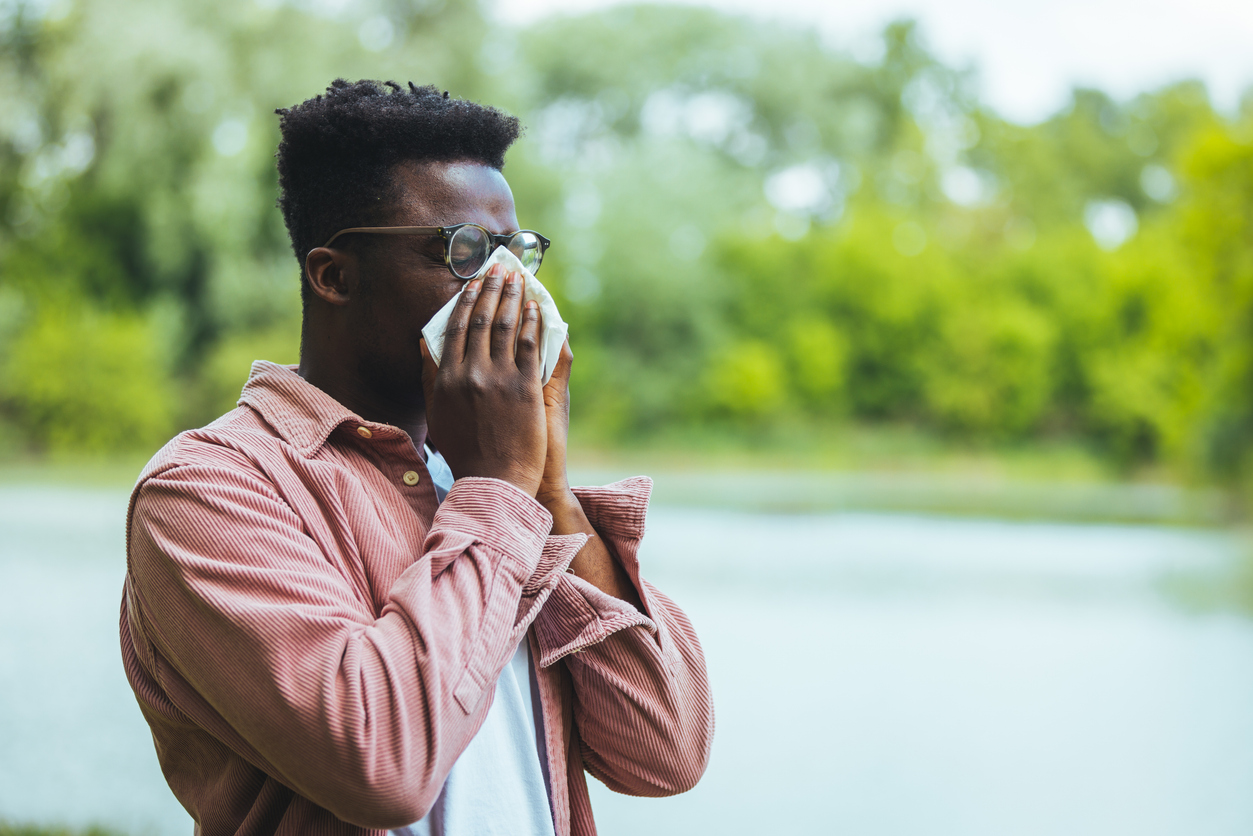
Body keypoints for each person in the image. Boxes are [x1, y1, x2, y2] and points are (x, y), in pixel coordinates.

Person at [119, 79, 714, 836]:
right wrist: (498, 487)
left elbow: (664, 753)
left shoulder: (492, 483)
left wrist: (550, 487)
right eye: (464, 251)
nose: (510, 288)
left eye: (517, 253)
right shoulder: (210, 489)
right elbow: (383, 767)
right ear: (333, 276)